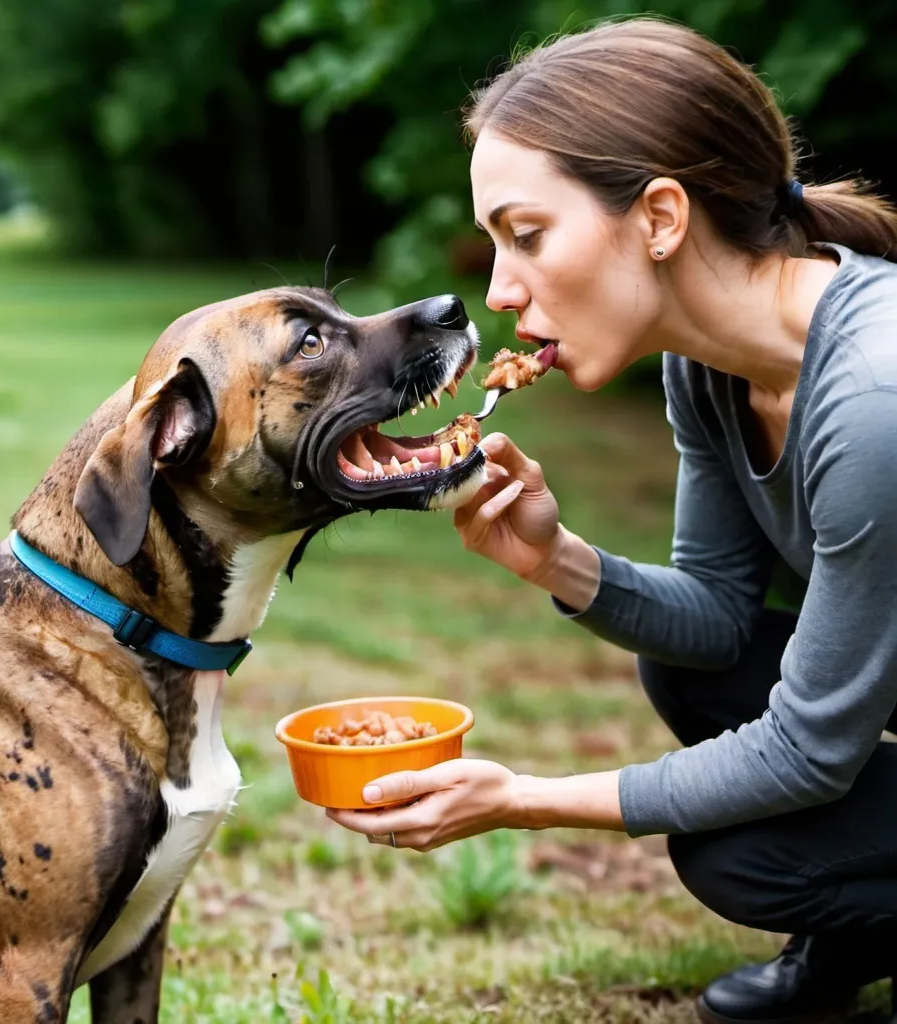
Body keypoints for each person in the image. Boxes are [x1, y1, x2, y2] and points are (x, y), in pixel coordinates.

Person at [325, 17, 897, 1024]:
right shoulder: (708, 367)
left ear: (661, 217)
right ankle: (855, 928)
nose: (500, 292)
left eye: (527, 235)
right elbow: (718, 620)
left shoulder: (873, 398)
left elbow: (810, 750)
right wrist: (556, 560)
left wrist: (520, 797)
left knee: (740, 852)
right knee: (684, 667)